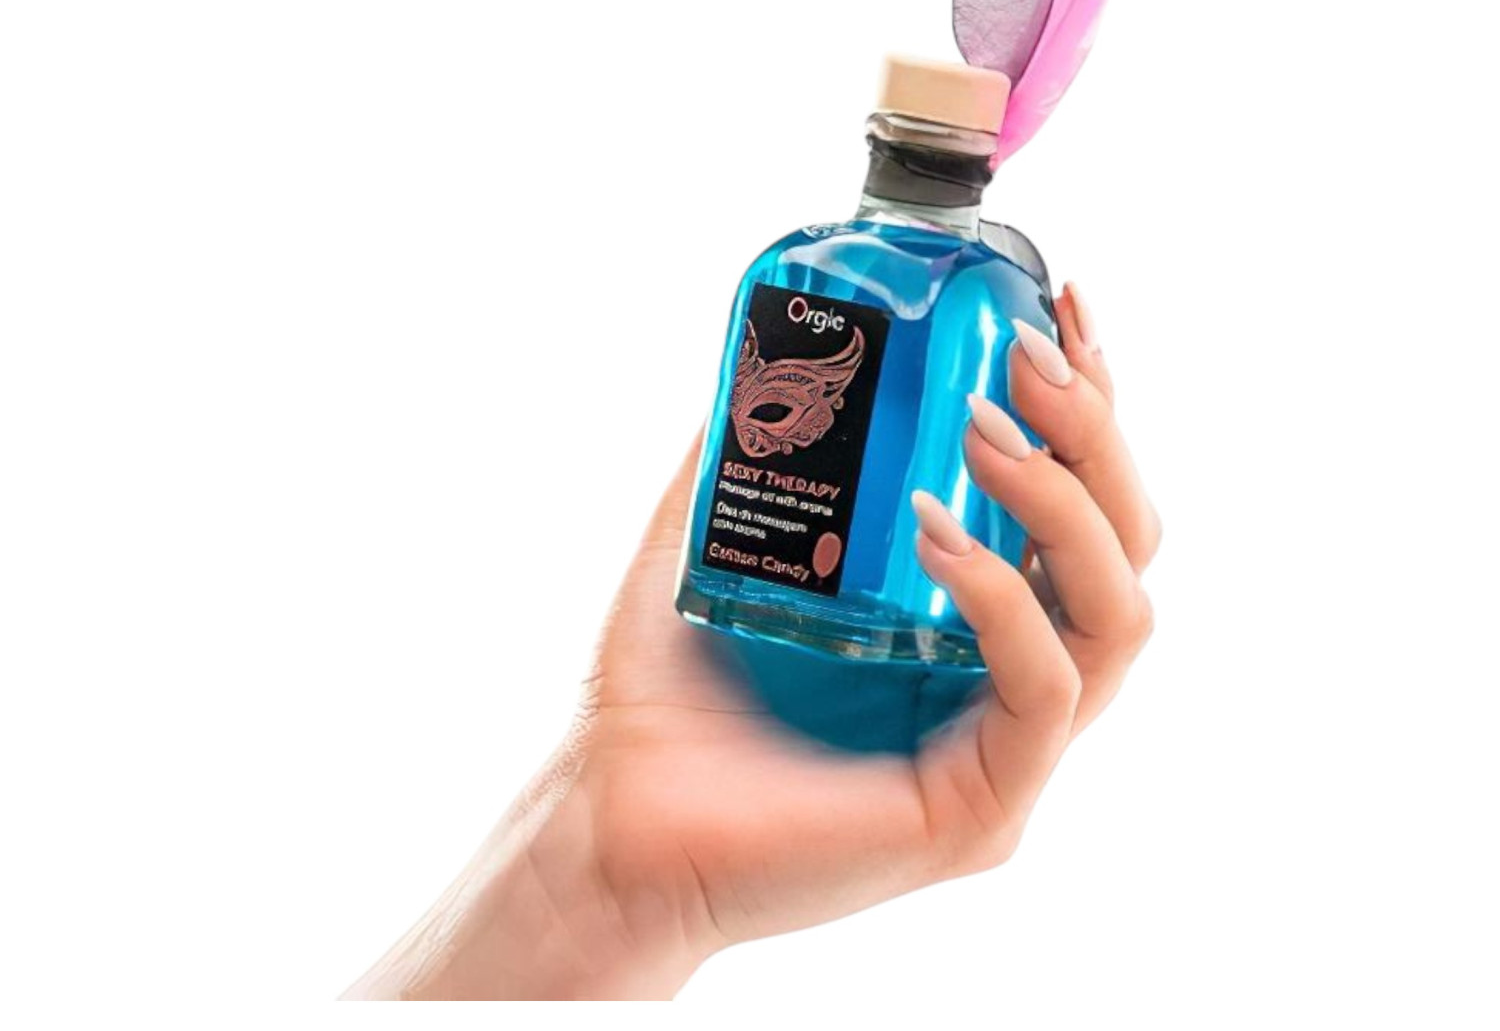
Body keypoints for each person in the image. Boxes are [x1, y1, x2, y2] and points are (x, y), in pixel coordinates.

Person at [343, 283, 1159, 1000]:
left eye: (777, 415)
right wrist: (598, 875)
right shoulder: (810, 272)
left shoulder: (930, 285)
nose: (761, 444)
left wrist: (612, 893)